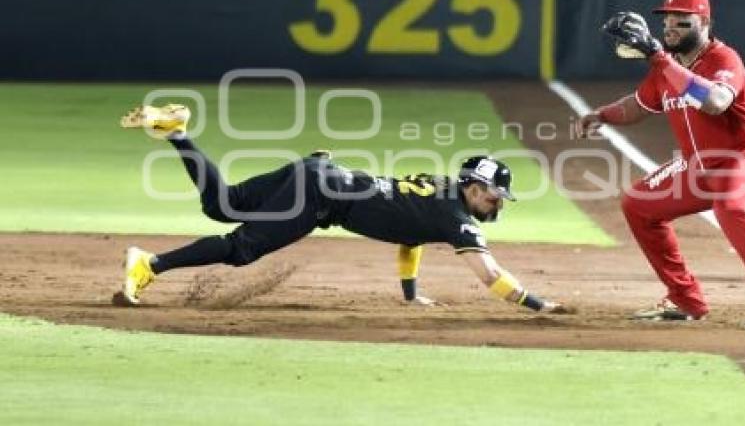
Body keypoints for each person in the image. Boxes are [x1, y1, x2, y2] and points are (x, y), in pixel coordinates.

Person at [117, 103, 563, 314]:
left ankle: (176, 132)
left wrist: (410, 295)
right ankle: (149, 265)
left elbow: (412, 240)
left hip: (320, 174)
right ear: (475, 187)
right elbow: (490, 276)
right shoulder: (455, 218)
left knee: (224, 204)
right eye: (494, 196)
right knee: (241, 248)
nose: (496, 205)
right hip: (320, 194)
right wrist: (539, 305)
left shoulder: (441, 194)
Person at [578, 0, 745, 331]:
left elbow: (716, 102)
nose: (671, 26)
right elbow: (638, 104)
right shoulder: (666, 68)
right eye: (667, 20)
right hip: (702, 164)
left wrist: (658, 58)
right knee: (639, 203)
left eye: (682, 21)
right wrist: (603, 115)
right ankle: (684, 299)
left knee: (732, 208)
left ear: (704, 23)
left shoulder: (723, 59)